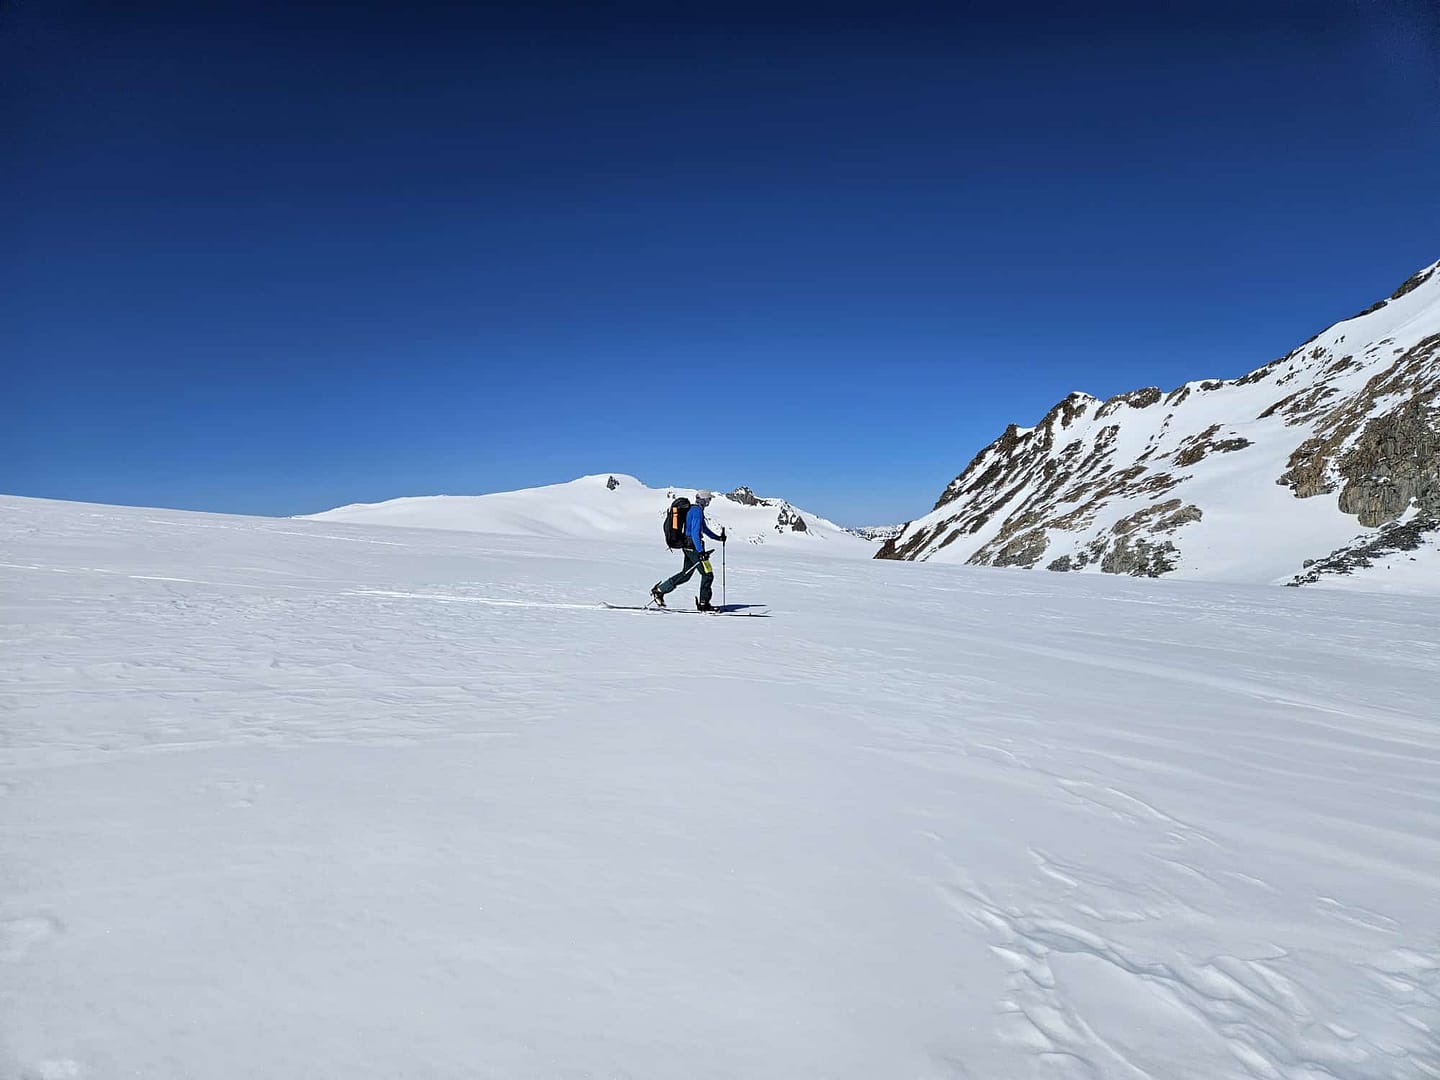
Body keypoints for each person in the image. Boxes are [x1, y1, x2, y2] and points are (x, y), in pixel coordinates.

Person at [652, 490, 726, 610]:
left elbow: (705, 529)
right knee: (708, 574)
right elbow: (696, 533)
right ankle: (704, 604)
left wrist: (718, 538)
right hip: (693, 545)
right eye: (709, 500)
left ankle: (659, 590)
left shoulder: (694, 510)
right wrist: (701, 551)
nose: (709, 502)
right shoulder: (697, 512)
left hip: (688, 545)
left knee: (685, 575)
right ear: (704, 500)